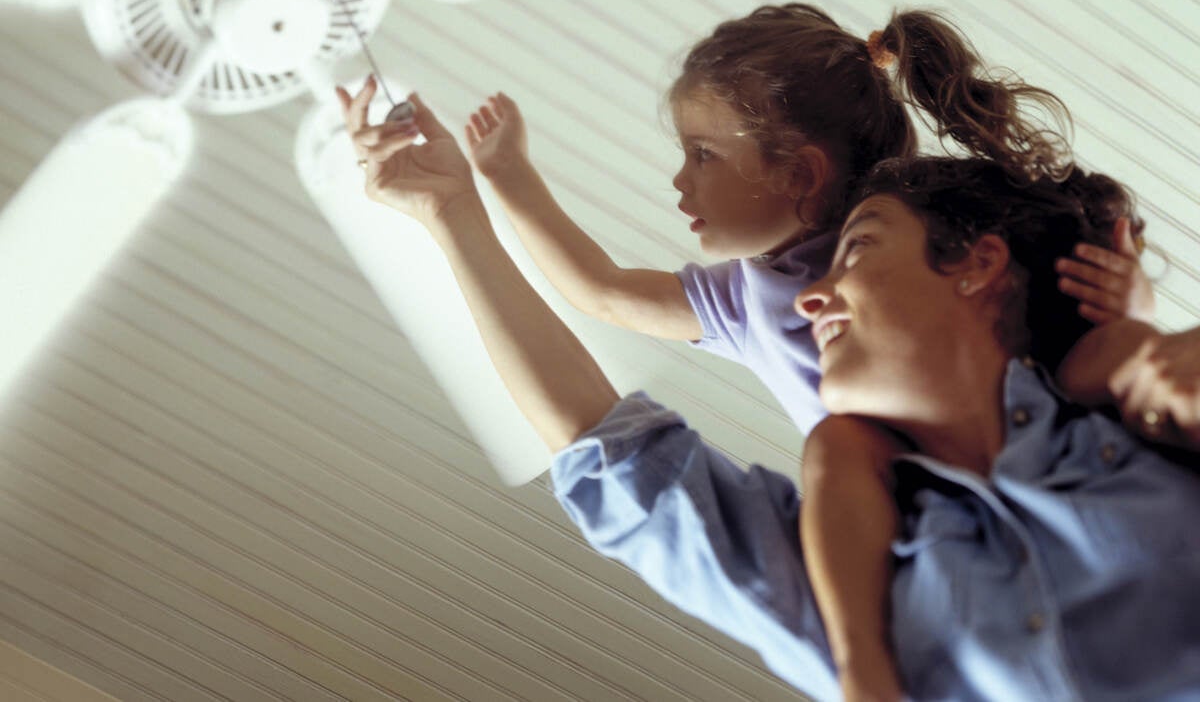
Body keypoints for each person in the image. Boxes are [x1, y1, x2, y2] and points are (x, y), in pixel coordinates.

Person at [340, 82, 1200, 701]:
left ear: (977, 264)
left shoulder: (1151, 421)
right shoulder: (845, 588)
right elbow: (604, 448)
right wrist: (454, 213)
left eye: (858, 250)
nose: (813, 296)